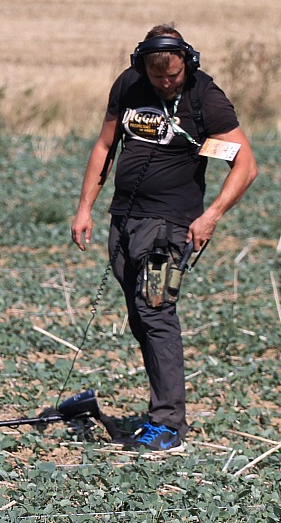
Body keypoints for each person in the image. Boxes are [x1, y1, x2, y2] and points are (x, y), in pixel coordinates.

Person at [70, 24, 257, 453]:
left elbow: (246, 164)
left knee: (156, 312)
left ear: (186, 64)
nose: (166, 82)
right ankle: (162, 410)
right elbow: (104, 147)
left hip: (171, 228)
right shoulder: (129, 84)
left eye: (172, 75)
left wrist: (211, 216)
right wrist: (85, 207)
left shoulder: (204, 95)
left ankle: (168, 423)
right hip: (124, 223)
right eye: (158, 77)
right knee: (141, 317)